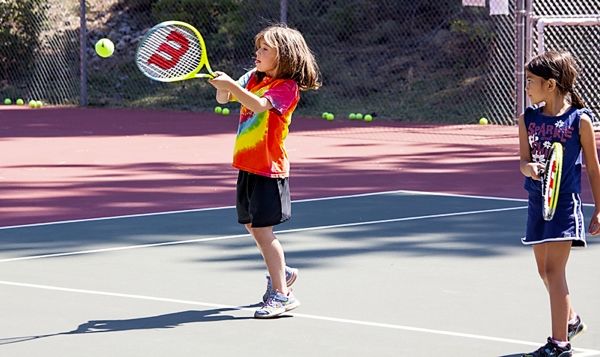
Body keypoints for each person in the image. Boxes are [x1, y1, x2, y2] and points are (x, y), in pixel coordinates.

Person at [208, 24, 320, 318]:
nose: (257, 53)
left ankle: (282, 294)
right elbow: (225, 99)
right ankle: (282, 272)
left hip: (269, 168)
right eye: (257, 47)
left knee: (262, 230)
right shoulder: (252, 77)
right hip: (247, 164)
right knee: (250, 223)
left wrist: (232, 85)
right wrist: (224, 87)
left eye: (264, 49)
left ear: (283, 56)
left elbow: (258, 106)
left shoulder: (286, 88)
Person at [518, 51, 600, 356]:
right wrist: (530, 169)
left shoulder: (580, 121)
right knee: (544, 271)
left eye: (531, 81)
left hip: (564, 205)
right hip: (536, 203)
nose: (527, 86)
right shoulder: (527, 118)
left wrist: (599, 209)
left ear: (550, 85)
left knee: (554, 272)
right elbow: (524, 162)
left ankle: (559, 344)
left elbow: (593, 167)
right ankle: (572, 321)